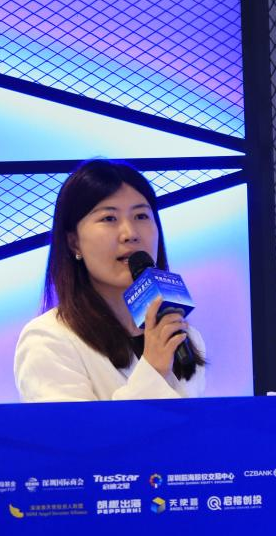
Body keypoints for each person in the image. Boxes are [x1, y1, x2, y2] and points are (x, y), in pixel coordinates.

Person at [14, 160, 206, 402]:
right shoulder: (48, 339)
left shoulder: (184, 336)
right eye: (109, 218)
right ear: (74, 242)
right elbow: (78, 428)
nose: (130, 234)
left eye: (141, 216)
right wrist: (153, 370)